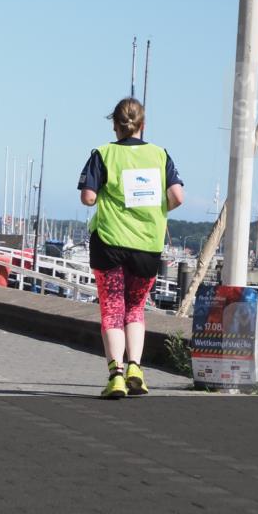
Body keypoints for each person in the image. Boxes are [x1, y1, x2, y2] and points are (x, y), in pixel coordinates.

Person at [78, 98, 184, 399]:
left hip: (109, 242)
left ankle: (116, 376)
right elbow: (178, 196)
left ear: (115, 125)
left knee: (112, 310)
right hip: (147, 244)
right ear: (143, 125)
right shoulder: (160, 155)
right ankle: (136, 367)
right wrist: (156, 209)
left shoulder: (103, 154)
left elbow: (88, 198)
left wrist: (106, 199)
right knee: (135, 309)